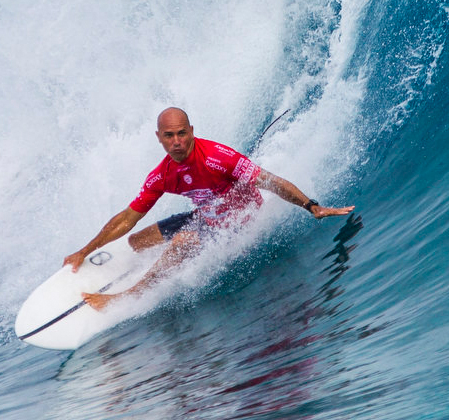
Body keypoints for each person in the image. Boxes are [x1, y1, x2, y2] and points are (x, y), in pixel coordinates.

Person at [65, 107, 351, 309]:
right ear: (158, 137)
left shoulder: (217, 157)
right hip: (205, 217)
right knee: (135, 241)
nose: (176, 142)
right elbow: (128, 218)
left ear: (191, 131)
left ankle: (129, 294)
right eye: (169, 136)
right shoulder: (162, 175)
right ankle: (158, 263)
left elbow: (270, 182)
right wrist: (84, 251)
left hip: (238, 223)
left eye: (181, 133)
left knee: (182, 242)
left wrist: (311, 205)